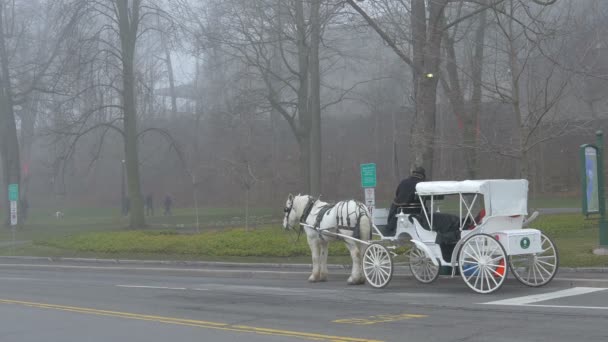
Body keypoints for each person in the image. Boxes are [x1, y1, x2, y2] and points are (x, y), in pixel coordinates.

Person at [385, 167, 426, 236]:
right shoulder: (422, 184)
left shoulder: (403, 182)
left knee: (394, 207)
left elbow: (397, 193)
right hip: (417, 210)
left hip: (401, 208)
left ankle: (390, 228)